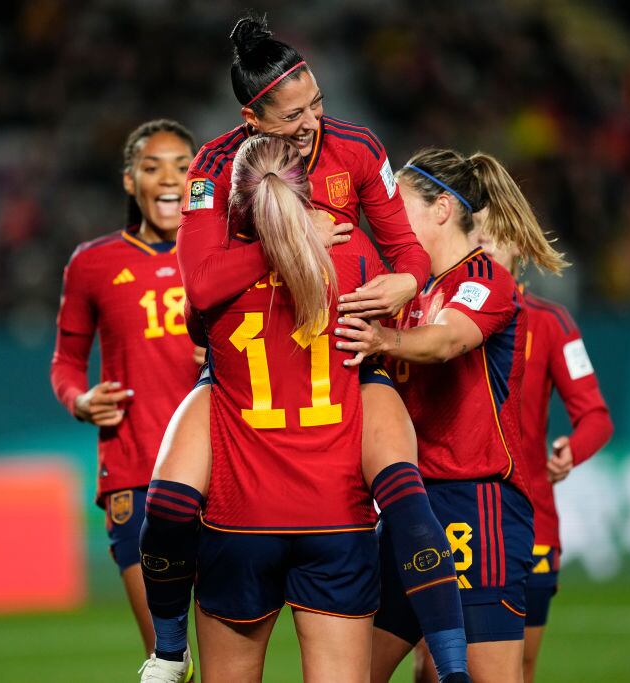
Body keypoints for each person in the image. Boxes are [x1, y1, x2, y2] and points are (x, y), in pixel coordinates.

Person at [138, 15, 468, 683]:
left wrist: (399, 288)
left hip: (348, 350)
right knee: (171, 499)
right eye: (293, 114)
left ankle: (170, 651)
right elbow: (199, 289)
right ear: (251, 117)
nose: (313, 121)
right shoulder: (208, 170)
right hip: (263, 375)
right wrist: (294, 246)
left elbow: (408, 256)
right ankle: (168, 651)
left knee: (402, 493)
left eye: (317, 102)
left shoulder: (359, 147)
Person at [333, 148, 566, 683]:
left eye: (401, 206)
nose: (388, 217)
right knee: (354, 670)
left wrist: (384, 339)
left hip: (475, 501)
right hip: (409, 503)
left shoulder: (484, 277)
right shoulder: (404, 286)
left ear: (442, 209)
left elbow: (447, 341)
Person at [194, 132, 386, 682]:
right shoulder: (352, 258)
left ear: (236, 203)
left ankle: (164, 646)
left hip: (241, 516)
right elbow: (390, 344)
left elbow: (196, 319)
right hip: (337, 514)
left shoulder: (218, 279)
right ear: (307, 193)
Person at [50, 119, 202, 678]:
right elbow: (66, 361)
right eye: (152, 165)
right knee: (170, 658)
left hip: (218, 469)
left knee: (229, 656)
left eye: (184, 166)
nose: (170, 178)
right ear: (128, 180)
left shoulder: (221, 256)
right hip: (134, 471)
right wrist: (80, 399)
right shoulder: (92, 263)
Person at [467, 231, 613, 683]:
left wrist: (573, 450)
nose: (480, 244)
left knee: (516, 667)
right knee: (437, 667)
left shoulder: (550, 322)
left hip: (528, 523)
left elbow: (595, 416)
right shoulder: (440, 314)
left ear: (518, 246)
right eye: (473, 233)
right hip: (455, 515)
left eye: (491, 236)